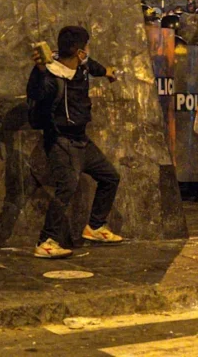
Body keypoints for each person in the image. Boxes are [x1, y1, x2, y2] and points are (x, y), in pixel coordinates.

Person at [28, 25, 123, 259]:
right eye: (86, 48)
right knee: (66, 188)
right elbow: (37, 93)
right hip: (62, 142)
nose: (88, 52)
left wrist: (107, 72)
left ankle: (95, 226)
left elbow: (93, 65)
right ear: (80, 52)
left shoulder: (82, 65)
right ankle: (46, 242)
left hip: (82, 140)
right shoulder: (51, 75)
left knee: (110, 177)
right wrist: (39, 70)